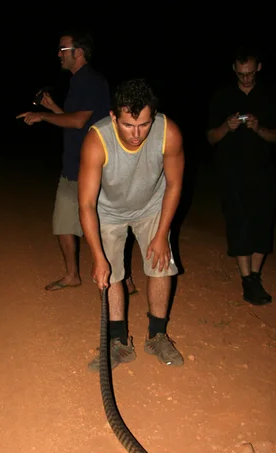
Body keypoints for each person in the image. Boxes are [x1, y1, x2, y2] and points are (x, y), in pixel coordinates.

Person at [16, 29, 136, 293]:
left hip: (94, 167)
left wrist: (43, 117)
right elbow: (76, 122)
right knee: (62, 223)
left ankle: (123, 278)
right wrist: (53, 109)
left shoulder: (92, 81)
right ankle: (72, 275)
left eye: (63, 49)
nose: (58, 54)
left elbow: (80, 120)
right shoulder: (77, 81)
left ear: (78, 53)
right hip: (71, 164)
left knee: (105, 225)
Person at [78, 78, 185, 371]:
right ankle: (118, 343)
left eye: (144, 124)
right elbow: (86, 204)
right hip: (108, 211)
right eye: (128, 125)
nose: (137, 134)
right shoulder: (97, 139)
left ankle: (158, 335)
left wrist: (162, 234)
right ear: (114, 116)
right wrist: (98, 257)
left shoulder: (168, 132)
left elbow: (174, 185)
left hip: (151, 205)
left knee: (161, 263)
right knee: (110, 272)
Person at [207, 45, 276, 305]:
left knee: (262, 223)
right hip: (231, 173)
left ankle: (255, 275)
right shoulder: (222, 96)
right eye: (241, 74)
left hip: (263, 172)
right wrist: (226, 127)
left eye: (250, 73)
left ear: (258, 68)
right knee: (238, 222)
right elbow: (211, 137)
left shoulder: (270, 96)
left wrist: (258, 127)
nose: (246, 78)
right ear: (234, 70)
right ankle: (247, 279)